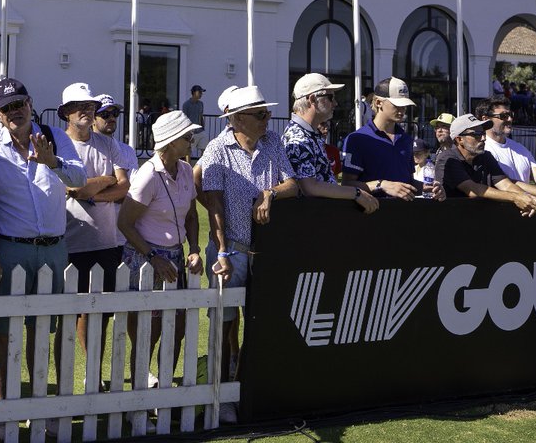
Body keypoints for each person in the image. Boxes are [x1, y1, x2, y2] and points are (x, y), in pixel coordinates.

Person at [0, 77, 86, 407]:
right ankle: (0, 405)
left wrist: (53, 162)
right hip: (10, 248)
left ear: (30, 103)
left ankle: (39, 402)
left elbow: (80, 178)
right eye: (7, 108)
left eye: (19, 103)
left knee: (43, 330)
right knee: (3, 332)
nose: (15, 111)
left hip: (54, 248)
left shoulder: (53, 137)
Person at [196, 85, 300, 422]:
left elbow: (293, 184)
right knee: (225, 327)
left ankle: (250, 390)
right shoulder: (216, 149)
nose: (267, 119)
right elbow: (213, 206)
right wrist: (222, 251)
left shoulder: (272, 143)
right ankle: (224, 398)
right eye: (260, 114)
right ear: (237, 119)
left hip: (266, 253)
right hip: (233, 251)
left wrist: (269, 193)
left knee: (263, 324)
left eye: (266, 112)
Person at [117, 111, 203, 389]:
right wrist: (153, 258)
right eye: (187, 136)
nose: (192, 140)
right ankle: (139, 394)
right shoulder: (148, 175)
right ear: (170, 141)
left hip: (175, 256)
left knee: (176, 330)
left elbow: (191, 216)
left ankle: (165, 387)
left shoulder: (187, 170)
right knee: (147, 333)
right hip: (146, 259)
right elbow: (125, 223)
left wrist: (194, 248)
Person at [56, 82, 130, 376]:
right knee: (69, 316)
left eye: (90, 106)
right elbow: (70, 187)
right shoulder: (60, 144)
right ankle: (62, 384)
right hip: (72, 243)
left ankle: (93, 376)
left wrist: (89, 190)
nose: (87, 111)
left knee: (100, 314)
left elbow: (123, 186)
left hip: (107, 241)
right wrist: (103, 180)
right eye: (79, 107)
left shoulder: (108, 144)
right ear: (66, 113)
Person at [282, 73, 382, 208]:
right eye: (330, 97)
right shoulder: (298, 137)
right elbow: (310, 187)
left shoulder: (307, 133)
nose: (335, 103)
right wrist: (356, 193)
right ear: (312, 99)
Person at [341, 77, 440, 201]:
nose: (402, 109)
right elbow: (347, 184)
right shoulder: (357, 139)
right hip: (369, 214)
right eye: (397, 104)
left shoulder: (406, 139)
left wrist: (429, 188)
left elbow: (407, 182)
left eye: (405, 105)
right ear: (378, 102)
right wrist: (382, 185)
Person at [438, 114, 536, 215]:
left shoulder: (485, 156)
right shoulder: (447, 158)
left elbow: (505, 184)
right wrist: (516, 198)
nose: (483, 138)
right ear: (459, 139)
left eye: (483, 133)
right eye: (477, 134)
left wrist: (527, 198)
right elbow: (473, 190)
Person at [181, 85, 207, 157]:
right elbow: (184, 119)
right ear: (194, 92)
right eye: (199, 92)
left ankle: (201, 166)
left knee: (204, 149)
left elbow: (201, 116)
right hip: (191, 132)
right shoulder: (186, 104)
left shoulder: (201, 104)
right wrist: (186, 131)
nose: (201, 94)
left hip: (200, 130)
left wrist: (203, 127)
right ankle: (188, 167)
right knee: (188, 151)